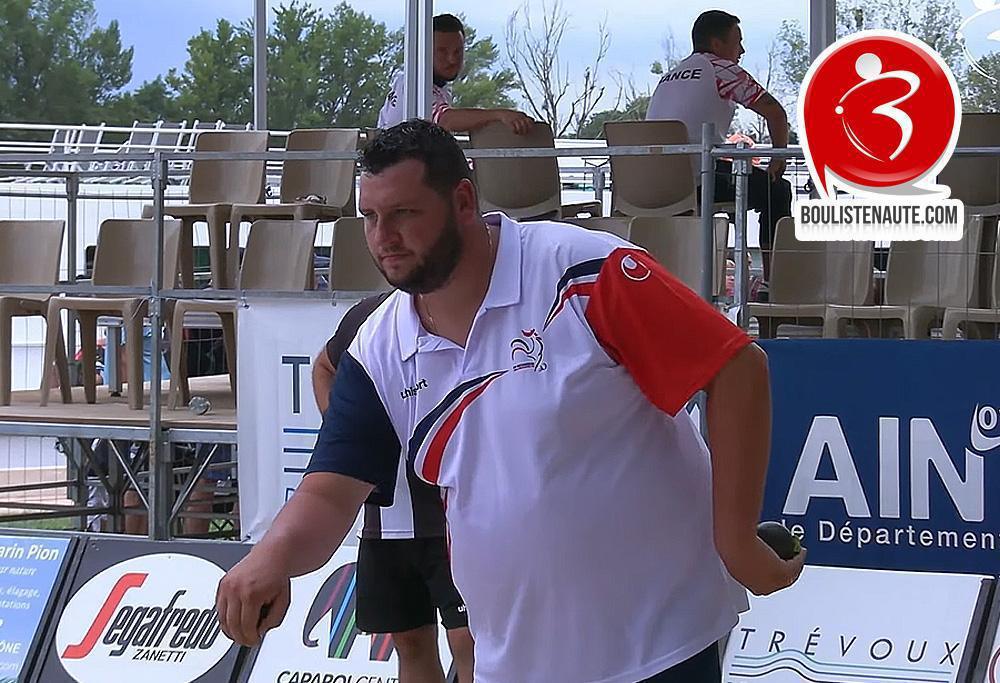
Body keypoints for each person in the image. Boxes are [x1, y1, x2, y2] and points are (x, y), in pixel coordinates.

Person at [216, 120, 805, 683]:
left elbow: (735, 368)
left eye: (403, 214)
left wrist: (734, 539)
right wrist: (271, 557)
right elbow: (328, 490)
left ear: (464, 202)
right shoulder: (378, 346)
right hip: (512, 658)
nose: (382, 238)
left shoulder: (582, 271)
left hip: (659, 643)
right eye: (369, 217)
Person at [310, 291, 475, 683]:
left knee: (469, 642)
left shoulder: (467, 311)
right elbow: (323, 367)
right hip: (387, 518)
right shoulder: (370, 317)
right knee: (409, 642)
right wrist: (349, 434)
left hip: (457, 516)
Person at [646, 9, 792, 288]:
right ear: (716, 44)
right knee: (777, 189)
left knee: (738, 177)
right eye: (738, 42)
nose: (742, 50)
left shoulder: (669, 76)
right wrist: (778, 157)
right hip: (698, 179)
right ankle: (775, 284)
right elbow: (775, 113)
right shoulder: (720, 69)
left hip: (651, 186)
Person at [377, 14, 533, 135]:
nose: (452, 59)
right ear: (422, 51)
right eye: (442, 51)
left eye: (458, 51)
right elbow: (446, 120)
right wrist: (500, 115)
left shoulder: (439, 87)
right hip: (395, 171)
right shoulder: (412, 84)